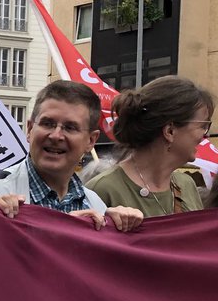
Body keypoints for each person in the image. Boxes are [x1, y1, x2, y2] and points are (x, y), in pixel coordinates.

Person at [0, 80, 143, 231]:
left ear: (91, 140)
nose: (56, 135)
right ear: (30, 129)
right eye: (47, 123)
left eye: (70, 127)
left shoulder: (97, 205)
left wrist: (120, 228)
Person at [86, 76, 214, 216]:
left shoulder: (187, 185)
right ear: (170, 131)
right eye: (203, 126)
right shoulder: (103, 189)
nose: (205, 135)